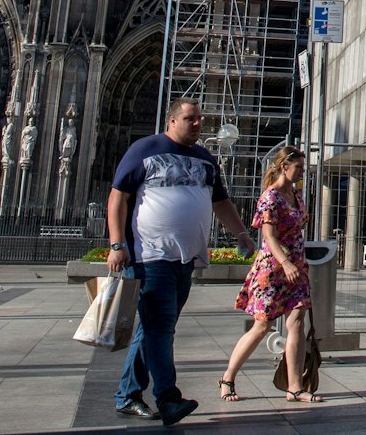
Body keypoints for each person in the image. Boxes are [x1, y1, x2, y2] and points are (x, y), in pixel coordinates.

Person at [108, 98, 257, 427]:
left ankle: (127, 395)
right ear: (172, 121)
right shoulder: (144, 149)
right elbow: (118, 196)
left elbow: (221, 201)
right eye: (190, 118)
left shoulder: (205, 158)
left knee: (153, 328)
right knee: (161, 328)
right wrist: (117, 244)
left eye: (200, 118)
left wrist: (242, 234)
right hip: (150, 256)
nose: (198, 124)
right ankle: (168, 398)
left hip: (186, 259)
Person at [217, 146, 318, 404]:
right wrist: (285, 263)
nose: (302, 172)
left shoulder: (296, 195)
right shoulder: (270, 197)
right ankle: (228, 378)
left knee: (297, 322)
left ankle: (295, 387)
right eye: (298, 168)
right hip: (273, 269)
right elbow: (269, 236)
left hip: (296, 268)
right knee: (262, 326)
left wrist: (295, 264)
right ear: (284, 167)